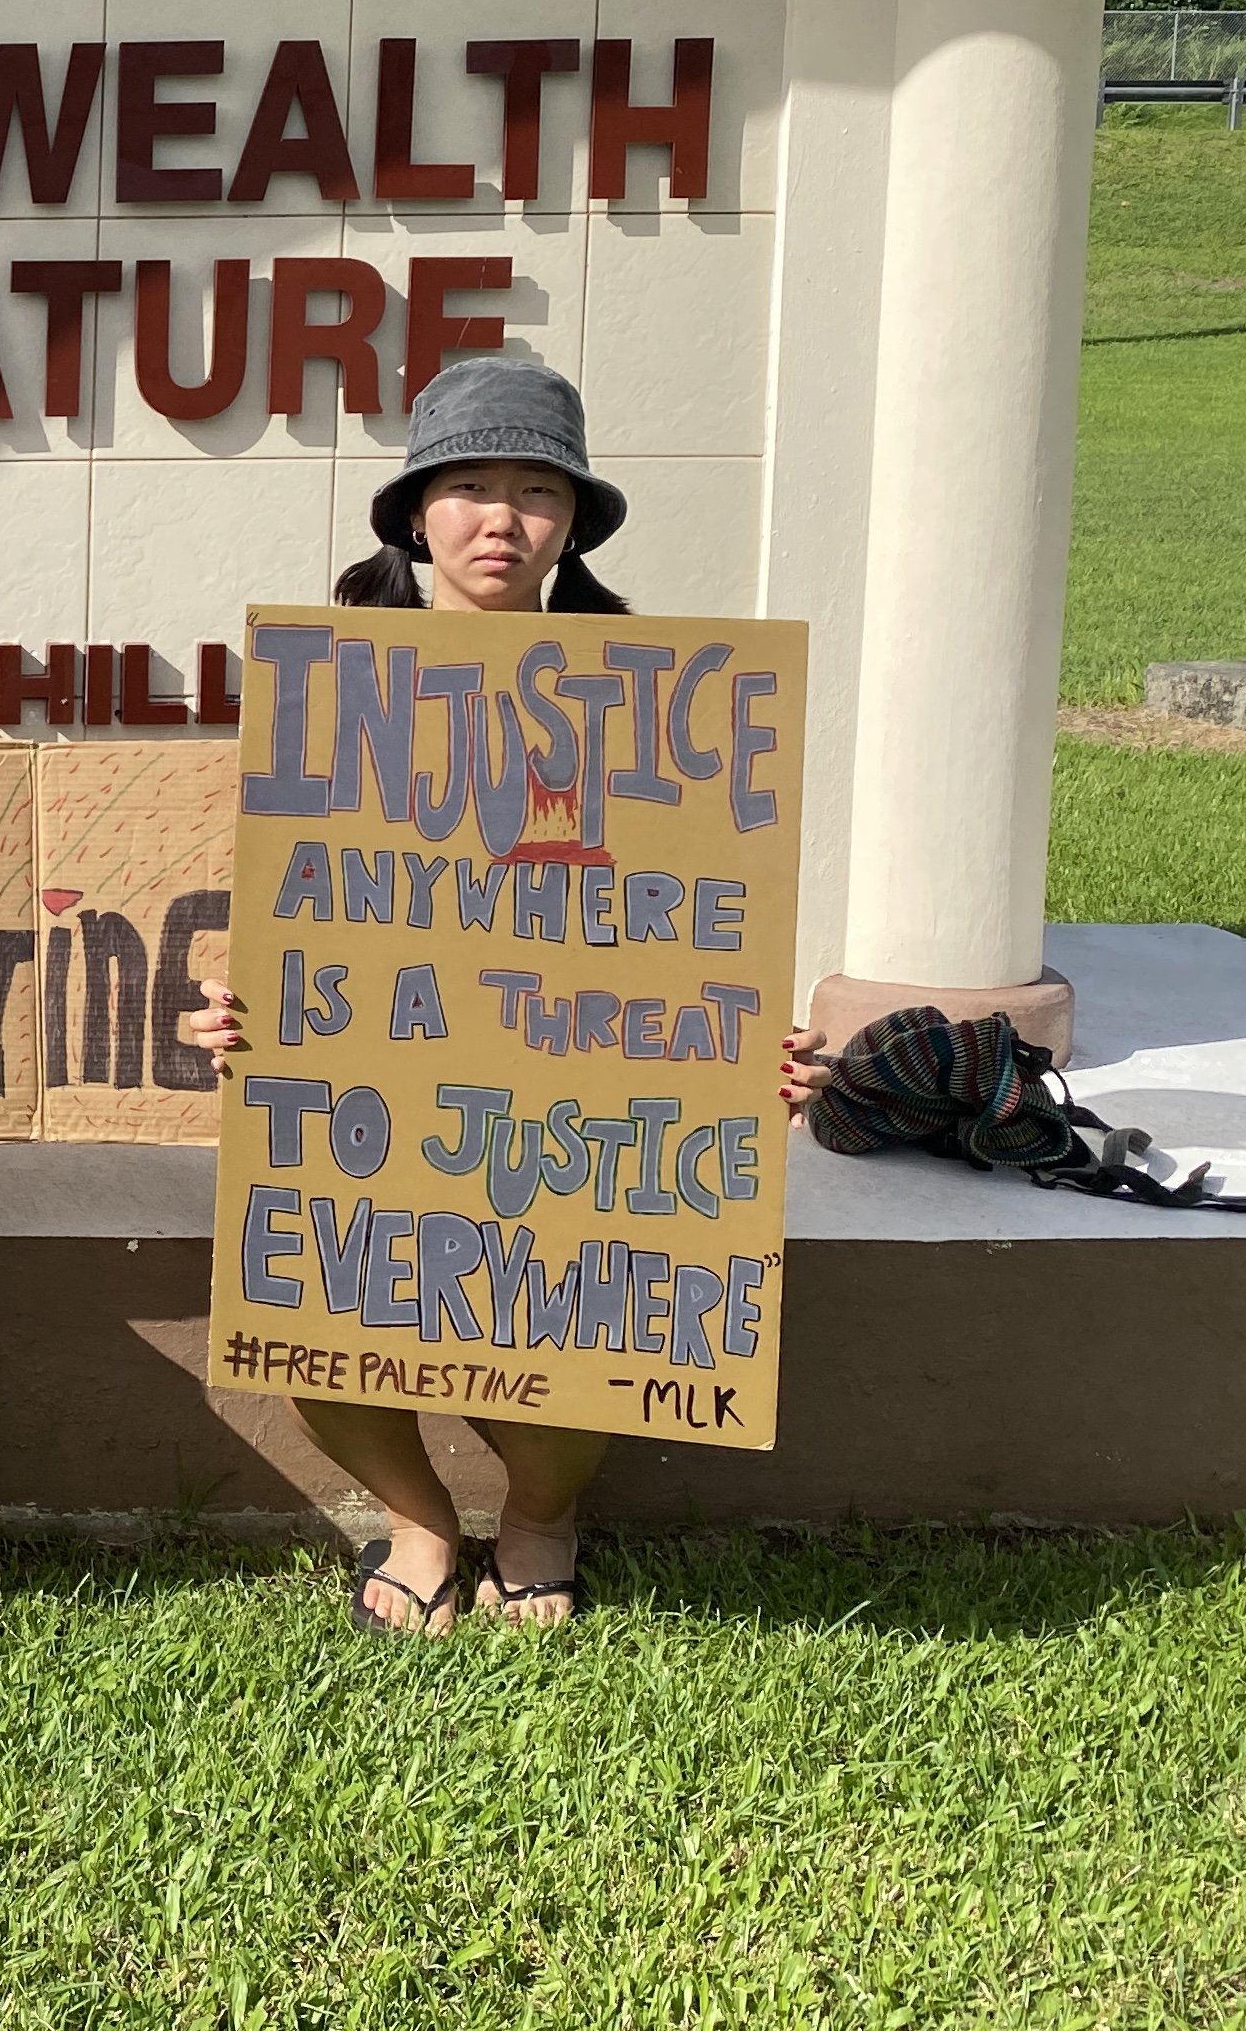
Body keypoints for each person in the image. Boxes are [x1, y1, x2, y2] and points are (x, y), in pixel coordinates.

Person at [195, 357, 822, 1634]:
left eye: (536, 490)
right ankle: (421, 1518)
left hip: (572, 1101)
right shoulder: (331, 686)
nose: (500, 517)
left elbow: (695, 917)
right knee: (321, 1319)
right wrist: (242, 1013)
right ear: (415, 513)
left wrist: (736, 1050)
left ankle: (539, 1515)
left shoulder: (654, 699)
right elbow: (287, 897)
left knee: (575, 1352)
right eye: (469, 485)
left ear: (573, 523)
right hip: (379, 1087)